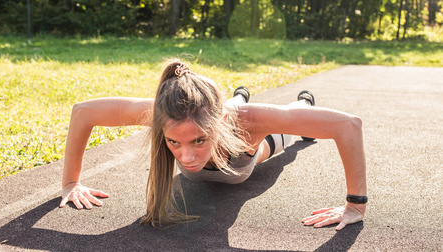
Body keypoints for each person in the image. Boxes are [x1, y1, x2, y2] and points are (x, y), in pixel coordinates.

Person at [60, 59, 367, 231]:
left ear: (216, 126)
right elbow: (83, 112)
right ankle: (239, 94)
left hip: (245, 161)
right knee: (228, 109)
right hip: (222, 119)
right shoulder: (159, 113)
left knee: (280, 145)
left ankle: (295, 100)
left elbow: (348, 125)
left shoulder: (249, 123)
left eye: (198, 140)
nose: (187, 156)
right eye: (174, 143)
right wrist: (71, 183)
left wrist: (355, 205)